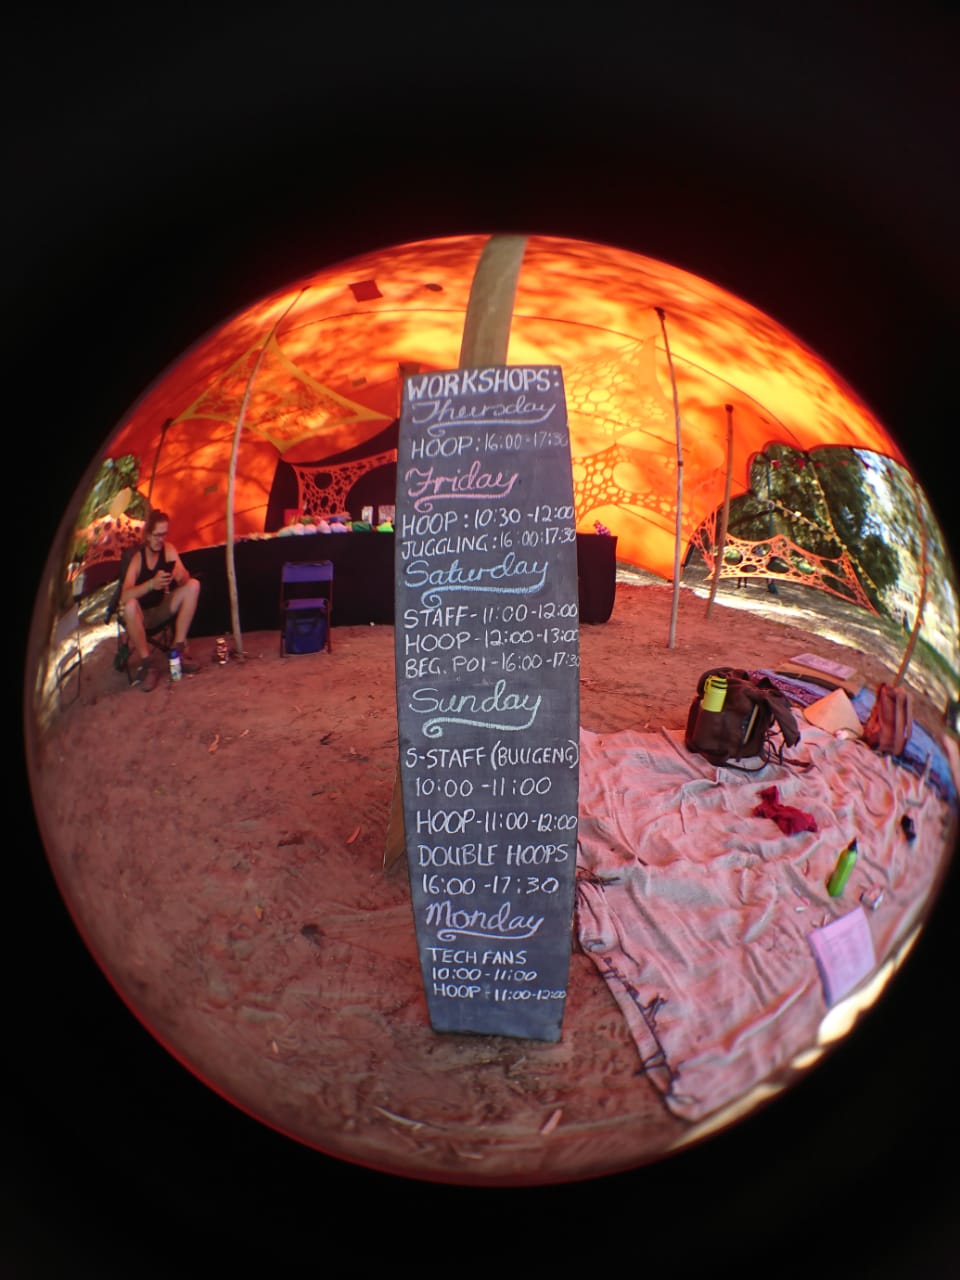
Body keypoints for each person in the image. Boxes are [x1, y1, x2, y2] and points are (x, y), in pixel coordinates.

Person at [120, 509, 201, 690]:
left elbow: (186, 580)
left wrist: (181, 576)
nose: (160, 539)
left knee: (193, 585)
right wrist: (151, 584)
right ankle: (147, 665)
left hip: (161, 609)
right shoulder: (138, 559)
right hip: (141, 616)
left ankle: (177, 651)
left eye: (164, 534)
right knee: (129, 605)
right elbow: (124, 596)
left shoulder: (168, 550)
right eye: (157, 535)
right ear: (148, 535)